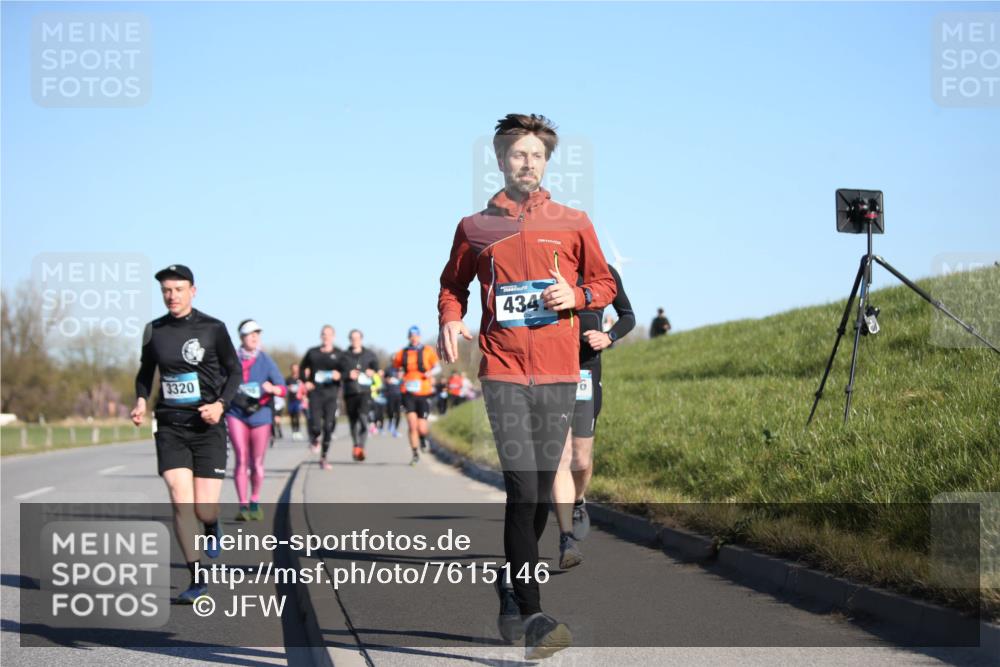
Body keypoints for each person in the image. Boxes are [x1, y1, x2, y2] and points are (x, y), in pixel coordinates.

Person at [438, 114, 616, 659]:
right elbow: (452, 285)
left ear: (547, 162)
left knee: (540, 490)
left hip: (561, 370)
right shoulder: (475, 227)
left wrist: (578, 297)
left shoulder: (573, 221)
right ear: (500, 160)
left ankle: (510, 583)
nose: (528, 163)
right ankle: (535, 614)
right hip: (503, 369)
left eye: (537, 155)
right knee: (521, 487)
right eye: (518, 154)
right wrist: (450, 317)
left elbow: (605, 282)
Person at [131, 264, 241, 603]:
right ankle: (197, 579)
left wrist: (221, 404)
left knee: (204, 508)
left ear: (193, 290)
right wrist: (139, 400)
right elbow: (145, 372)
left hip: (207, 426)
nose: (171, 296)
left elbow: (234, 371)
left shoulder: (213, 328)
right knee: (181, 500)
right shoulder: (155, 330)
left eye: (178, 289)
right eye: (166, 290)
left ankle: (211, 524)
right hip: (170, 425)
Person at [552, 264, 635, 568]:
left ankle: (578, 501)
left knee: (581, 460)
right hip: (552, 375)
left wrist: (608, 336)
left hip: (586, 373)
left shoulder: (605, 272)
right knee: (558, 458)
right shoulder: (548, 268)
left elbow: (628, 316)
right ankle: (566, 539)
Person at [225, 319, 287, 521]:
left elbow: (282, 388)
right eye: (250, 334)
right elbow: (219, 382)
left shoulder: (265, 360)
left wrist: (273, 389)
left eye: (257, 334)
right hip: (236, 413)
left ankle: (255, 501)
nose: (254, 337)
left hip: (260, 415)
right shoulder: (231, 358)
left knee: (257, 462)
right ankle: (242, 505)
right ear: (241, 337)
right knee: (241, 458)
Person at [392, 326, 440, 465]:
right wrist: (398, 374)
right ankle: (415, 454)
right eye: (411, 336)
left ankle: (423, 439)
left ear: (419, 336)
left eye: (416, 335)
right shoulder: (402, 352)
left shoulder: (427, 351)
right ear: (408, 337)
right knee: (412, 425)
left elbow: (437, 367)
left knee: (422, 427)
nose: (414, 338)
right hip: (408, 392)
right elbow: (395, 369)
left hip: (424, 392)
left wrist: (430, 373)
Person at [300, 325, 342, 470]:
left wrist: (340, 375)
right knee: (316, 425)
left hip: (331, 394)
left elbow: (346, 371)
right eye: (324, 334)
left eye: (329, 334)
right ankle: (315, 438)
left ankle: (324, 458)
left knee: (329, 426)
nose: (326, 337)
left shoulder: (339, 354)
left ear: (334, 336)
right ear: (320, 336)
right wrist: (306, 382)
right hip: (316, 394)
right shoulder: (312, 353)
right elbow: (301, 368)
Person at [340, 329, 379, 461]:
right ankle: (356, 445)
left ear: (361, 339)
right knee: (353, 421)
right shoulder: (344, 355)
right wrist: (347, 375)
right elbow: (339, 373)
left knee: (363, 419)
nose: (355, 340)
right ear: (349, 340)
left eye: (357, 338)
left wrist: (372, 371)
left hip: (365, 392)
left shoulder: (369, 354)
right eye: (352, 338)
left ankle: (360, 447)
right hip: (350, 392)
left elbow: (376, 367)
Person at [285, 363, 307, 441]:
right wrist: (288, 388)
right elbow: (284, 388)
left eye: (296, 368)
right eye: (294, 368)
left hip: (299, 400)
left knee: (297, 415)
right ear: (291, 369)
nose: (295, 369)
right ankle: (293, 432)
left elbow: (305, 388)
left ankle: (298, 431)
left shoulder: (301, 378)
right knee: (292, 416)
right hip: (291, 400)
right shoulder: (288, 379)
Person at [383, 365, 403, 437]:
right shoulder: (388, 369)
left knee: (398, 413)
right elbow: (384, 379)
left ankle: (395, 430)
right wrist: (388, 380)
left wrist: (401, 377)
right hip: (390, 394)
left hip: (400, 396)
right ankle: (390, 422)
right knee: (390, 411)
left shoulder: (402, 368)